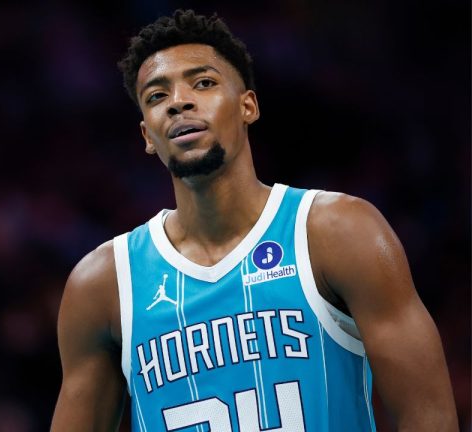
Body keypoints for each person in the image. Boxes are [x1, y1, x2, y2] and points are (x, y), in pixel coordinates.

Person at [51, 9, 457, 432]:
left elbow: (429, 416)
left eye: (203, 83)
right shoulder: (103, 284)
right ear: (146, 136)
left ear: (248, 106)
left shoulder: (337, 231)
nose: (178, 102)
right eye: (156, 96)